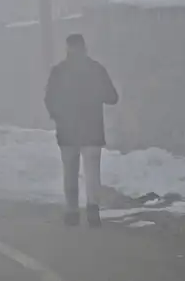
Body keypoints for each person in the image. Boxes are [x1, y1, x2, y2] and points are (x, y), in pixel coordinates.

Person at [44, 33, 118, 227]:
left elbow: (49, 99)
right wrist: (95, 96)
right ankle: (93, 211)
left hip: (67, 130)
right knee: (92, 173)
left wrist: (58, 116)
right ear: (85, 47)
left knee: (70, 171)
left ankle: (72, 212)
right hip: (92, 130)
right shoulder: (96, 70)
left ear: (67, 48)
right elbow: (112, 97)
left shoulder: (59, 72)